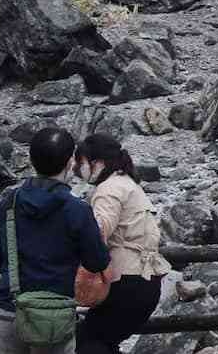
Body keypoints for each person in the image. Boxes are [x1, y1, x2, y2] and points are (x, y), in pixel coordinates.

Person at [0, 128, 110, 354]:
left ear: (31, 160)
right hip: (55, 316)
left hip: (11, 308)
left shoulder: (9, 202)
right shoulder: (78, 210)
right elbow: (97, 261)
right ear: (69, 162)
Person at [72, 134, 170, 354]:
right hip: (145, 278)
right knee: (102, 340)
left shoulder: (109, 189)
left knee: (90, 341)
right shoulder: (128, 183)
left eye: (81, 162)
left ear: (97, 163)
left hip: (125, 281)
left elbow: (98, 231)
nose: (77, 169)